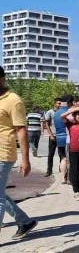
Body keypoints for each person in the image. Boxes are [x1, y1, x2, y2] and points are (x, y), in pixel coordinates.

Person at [0, 66, 38, 239]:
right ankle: (24, 221)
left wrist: (25, 159)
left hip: (3, 153)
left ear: (2, 78)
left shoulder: (13, 100)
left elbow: (21, 130)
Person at [65, 107, 79, 201]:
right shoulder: (70, 124)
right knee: (74, 171)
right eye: (78, 115)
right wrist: (72, 110)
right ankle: (76, 191)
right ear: (74, 116)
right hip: (73, 151)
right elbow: (62, 116)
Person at [53, 94, 71, 185]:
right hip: (67, 137)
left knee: (63, 158)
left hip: (59, 137)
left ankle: (62, 178)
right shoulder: (68, 112)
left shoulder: (56, 112)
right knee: (69, 159)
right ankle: (69, 178)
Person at [44, 98, 61, 177]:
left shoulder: (62, 112)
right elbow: (47, 124)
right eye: (58, 103)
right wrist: (50, 134)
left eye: (60, 103)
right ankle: (49, 170)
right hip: (53, 135)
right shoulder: (50, 112)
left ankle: (62, 169)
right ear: (54, 104)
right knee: (51, 154)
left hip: (60, 136)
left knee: (61, 154)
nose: (60, 105)